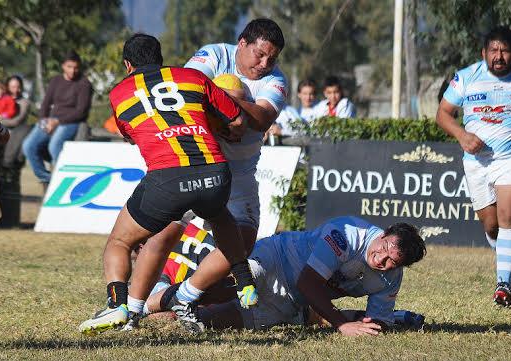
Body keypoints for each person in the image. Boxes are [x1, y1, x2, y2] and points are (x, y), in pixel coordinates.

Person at [79, 33, 257, 335]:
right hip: (215, 171)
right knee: (219, 214)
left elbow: (130, 134)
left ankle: (117, 305)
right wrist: (213, 124)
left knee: (120, 242)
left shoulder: (119, 93)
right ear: (160, 59)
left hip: (168, 178)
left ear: (127, 65)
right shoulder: (192, 77)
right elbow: (238, 121)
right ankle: (245, 281)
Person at [131, 18, 287, 328]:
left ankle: (185, 296)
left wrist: (224, 102)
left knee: (243, 243)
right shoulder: (213, 55)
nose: (265, 64)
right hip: (196, 162)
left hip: (239, 174)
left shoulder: (276, 80)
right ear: (241, 43)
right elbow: (184, 94)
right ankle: (132, 310)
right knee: (164, 233)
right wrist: (229, 111)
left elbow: (262, 118)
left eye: (272, 58)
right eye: (259, 54)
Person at [145, 217, 426, 336]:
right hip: (275, 260)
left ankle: (159, 302)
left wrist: (377, 325)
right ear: (384, 233)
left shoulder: (390, 278)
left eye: (392, 262)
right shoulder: (348, 233)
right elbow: (309, 281)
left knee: (206, 322)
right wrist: (341, 324)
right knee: (222, 290)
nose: (382, 259)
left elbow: (376, 321)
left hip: (293, 301)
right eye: (384, 249)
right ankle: (138, 308)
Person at [436, 26, 511, 307]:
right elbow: (443, 114)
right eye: (494, 51)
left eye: (505, 51)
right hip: (476, 163)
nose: (499, 56)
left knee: (509, 215)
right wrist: (462, 135)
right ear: (483, 53)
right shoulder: (466, 76)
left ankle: (503, 284)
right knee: (492, 225)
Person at [22, 50, 93, 188]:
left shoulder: (84, 84)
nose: (73, 70)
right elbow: (46, 103)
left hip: (71, 121)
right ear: (63, 66)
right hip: (50, 120)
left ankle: (65, 179)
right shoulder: (56, 80)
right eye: (69, 67)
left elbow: (81, 112)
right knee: (28, 146)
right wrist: (44, 120)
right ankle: (48, 178)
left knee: (54, 147)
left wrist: (57, 121)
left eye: (76, 67)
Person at [0, 76, 31, 228]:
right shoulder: (3, 100)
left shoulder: (23, 103)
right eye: (11, 86)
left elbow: (16, 121)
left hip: (15, 150)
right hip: (0, 149)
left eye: (17, 86)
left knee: (12, 185)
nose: (14, 89)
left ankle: (12, 220)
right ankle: (5, 219)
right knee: (3, 185)